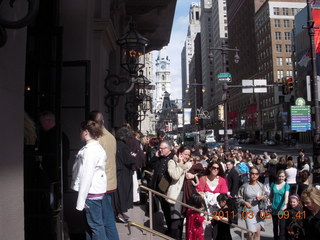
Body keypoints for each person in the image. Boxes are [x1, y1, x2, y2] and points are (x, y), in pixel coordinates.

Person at [70, 120, 107, 240]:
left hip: (90, 193)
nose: (79, 133)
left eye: (81, 131)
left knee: (95, 226)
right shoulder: (94, 148)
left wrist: (80, 202)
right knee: (92, 226)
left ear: (86, 132)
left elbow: (86, 176)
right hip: (93, 192)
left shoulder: (90, 151)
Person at [88, 111, 119, 239]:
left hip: (100, 184)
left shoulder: (97, 138)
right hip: (108, 181)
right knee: (107, 218)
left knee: (102, 220)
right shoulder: (110, 136)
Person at [196, 161, 228, 240]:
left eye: (218, 168)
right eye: (214, 168)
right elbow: (199, 191)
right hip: (205, 210)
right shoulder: (203, 179)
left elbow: (224, 195)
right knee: (206, 233)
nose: (216, 170)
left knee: (217, 233)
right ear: (210, 168)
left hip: (217, 211)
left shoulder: (222, 180)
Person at [166, 146, 193, 239]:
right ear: (180, 153)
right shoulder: (172, 162)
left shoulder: (189, 164)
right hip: (176, 194)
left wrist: (193, 176)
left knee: (182, 219)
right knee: (175, 218)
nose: (187, 156)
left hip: (187, 194)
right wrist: (181, 164)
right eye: (185, 154)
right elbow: (175, 176)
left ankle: (180, 237)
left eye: (188, 155)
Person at [149, 140, 176, 234]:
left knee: (168, 209)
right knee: (163, 208)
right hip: (158, 185)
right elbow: (150, 165)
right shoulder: (159, 157)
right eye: (159, 148)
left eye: (162, 148)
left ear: (168, 149)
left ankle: (171, 229)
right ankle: (167, 227)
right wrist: (155, 157)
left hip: (167, 186)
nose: (160, 150)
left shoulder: (173, 157)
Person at [113, 126, 136, 223]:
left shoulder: (117, 144)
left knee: (120, 194)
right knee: (122, 194)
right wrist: (133, 157)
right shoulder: (123, 146)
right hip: (123, 174)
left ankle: (120, 212)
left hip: (119, 173)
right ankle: (119, 213)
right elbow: (128, 160)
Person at [238, 166, 266, 240]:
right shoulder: (244, 186)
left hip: (259, 211)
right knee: (250, 233)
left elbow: (266, 197)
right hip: (248, 210)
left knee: (257, 233)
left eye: (256, 174)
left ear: (258, 175)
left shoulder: (261, 186)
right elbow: (239, 198)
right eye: (252, 173)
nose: (254, 175)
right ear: (249, 174)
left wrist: (262, 197)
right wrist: (245, 203)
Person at [270, 170, 290, 240]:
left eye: (282, 176)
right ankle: (275, 238)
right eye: (279, 176)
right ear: (277, 176)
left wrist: (285, 204)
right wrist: (269, 202)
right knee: (275, 226)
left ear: (285, 177)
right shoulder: (273, 184)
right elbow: (271, 195)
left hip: (282, 208)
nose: (281, 178)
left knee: (282, 227)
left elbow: (286, 196)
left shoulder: (286, 185)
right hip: (274, 207)